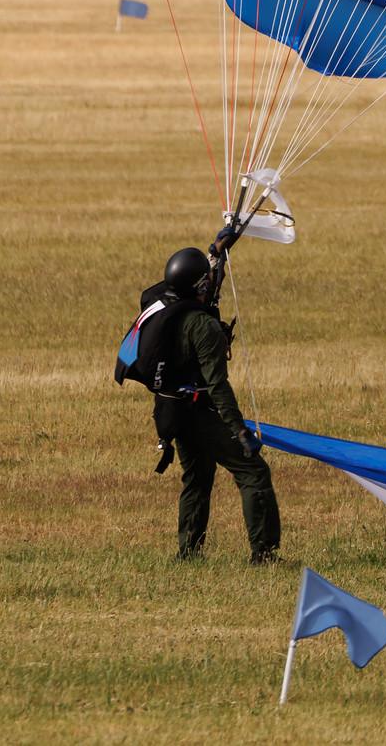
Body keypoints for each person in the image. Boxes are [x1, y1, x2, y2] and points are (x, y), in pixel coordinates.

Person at [134, 234, 281, 562]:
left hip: (172, 410)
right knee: (253, 472)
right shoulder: (202, 327)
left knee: (198, 477)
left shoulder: (170, 304)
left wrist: (217, 254)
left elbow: (208, 292)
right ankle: (264, 554)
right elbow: (217, 386)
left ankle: (187, 553)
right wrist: (240, 431)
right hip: (201, 412)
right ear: (197, 285)